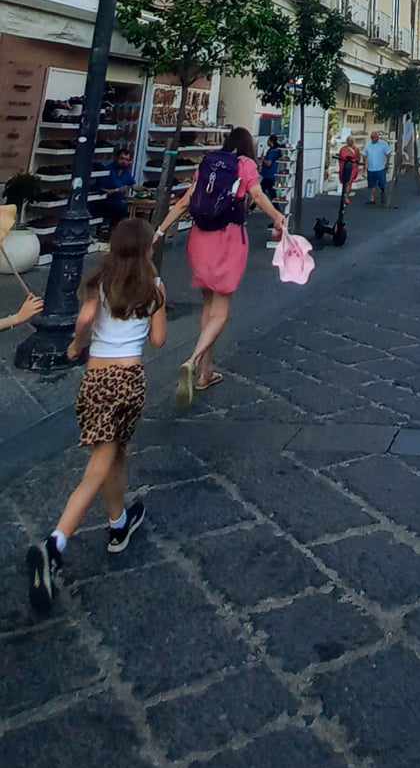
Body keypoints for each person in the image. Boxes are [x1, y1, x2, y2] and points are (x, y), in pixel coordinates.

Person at [25, 219, 167, 615]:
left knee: (115, 451)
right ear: (146, 251)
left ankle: (119, 523)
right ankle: (54, 544)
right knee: (100, 464)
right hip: (128, 380)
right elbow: (159, 341)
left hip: (95, 381)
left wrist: (76, 345)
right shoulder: (154, 288)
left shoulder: (100, 283)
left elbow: (86, 320)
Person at [156, 127, 284, 408]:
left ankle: (206, 373)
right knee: (222, 311)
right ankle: (193, 361)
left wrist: (160, 230)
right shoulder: (245, 164)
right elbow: (257, 195)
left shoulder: (209, 162)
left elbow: (186, 201)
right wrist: (277, 216)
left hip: (200, 238)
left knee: (208, 306)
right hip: (228, 238)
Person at [101, 145, 136, 232]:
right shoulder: (107, 170)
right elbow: (101, 188)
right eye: (122, 159)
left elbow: (131, 184)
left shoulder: (126, 172)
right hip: (106, 201)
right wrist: (115, 190)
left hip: (119, 202)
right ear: (116, 158)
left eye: (127, 160)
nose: (124, 162)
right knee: (121, 207)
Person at [364, 130, 391, 207]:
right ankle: (372, 199)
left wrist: (387, 163)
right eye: (372, 138)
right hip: (371, 168)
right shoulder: (368, 144)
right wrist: (365, 163)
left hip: (380, 168)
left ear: (378, 137)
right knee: (372, 184)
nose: (373, 139)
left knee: (382, 184)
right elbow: (364, 154)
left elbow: (388, 153)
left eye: (375, 137)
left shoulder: (383, 144)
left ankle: (382, 193)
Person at [338, 135, 360, 204]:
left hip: (352, 168)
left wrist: (355, 164)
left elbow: (358, 158)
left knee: (349, 182)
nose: (350, 142)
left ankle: (346, 197)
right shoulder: (343, 149)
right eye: (349, 140)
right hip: (345, 167)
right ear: (347, 141)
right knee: (346, 182)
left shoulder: (356, 149)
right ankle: (345, 196)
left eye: (351, 140)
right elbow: (341, 158)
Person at [260, 134, 282, 203]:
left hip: (269, 176)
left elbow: (269, 163)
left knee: (261, 193)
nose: (267, 142)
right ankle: (253, 206)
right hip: (271, 175)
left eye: (268, 140)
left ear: (271, 141)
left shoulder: (272, 151)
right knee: (269, 193)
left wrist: (263, 159)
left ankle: (252, 207)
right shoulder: (277, 150)